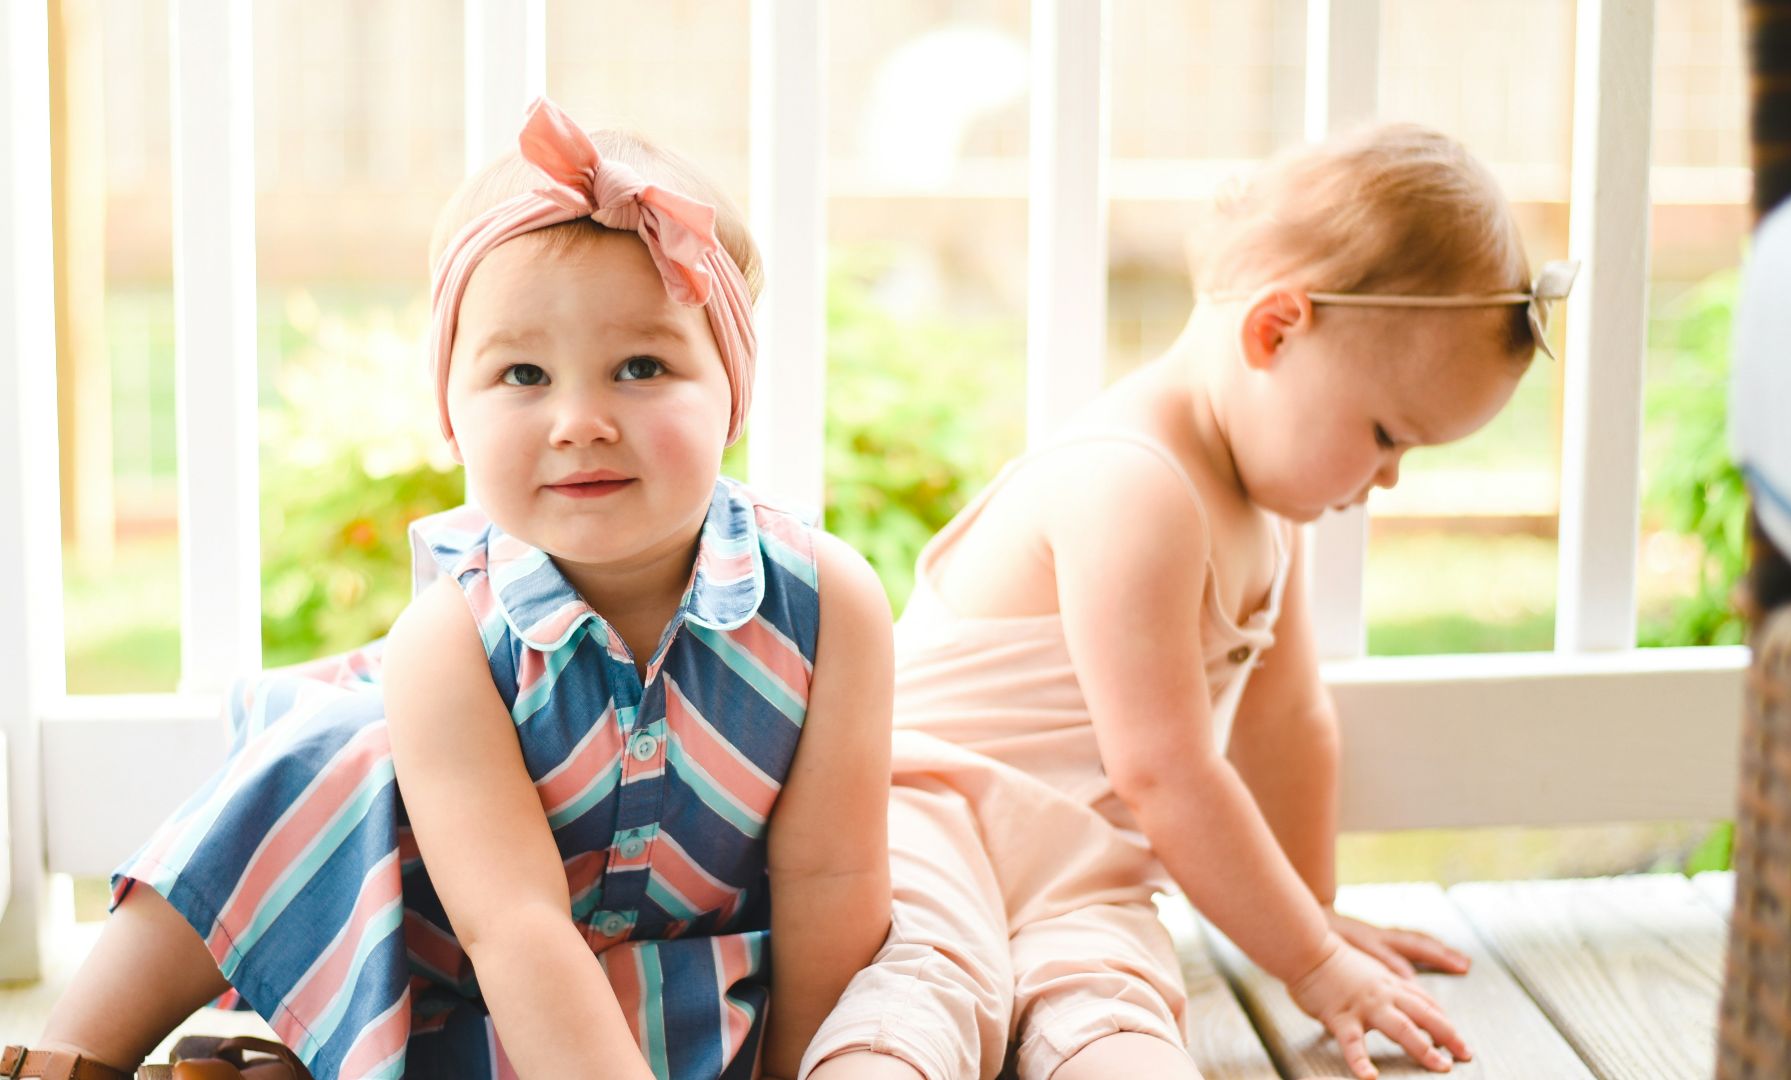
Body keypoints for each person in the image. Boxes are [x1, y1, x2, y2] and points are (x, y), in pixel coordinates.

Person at [5, 98, 896, 1080]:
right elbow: (511, 925)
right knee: (322, 760)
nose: (579, 420)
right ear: (452, 414)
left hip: (666, 989)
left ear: (734, 388)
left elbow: (833, 882)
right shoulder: (457, 636)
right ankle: (69, 1054)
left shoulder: (823, 607)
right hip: (458, 947)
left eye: (641, 366)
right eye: (522, 374)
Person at [802, 123, 1577, 1080]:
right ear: (1275, 329)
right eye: (1385, 435)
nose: (1388, 481)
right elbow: (1165, 769)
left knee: (1119, 1011)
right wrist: (1317, 965)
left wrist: (1312, 910)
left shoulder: (1268, 513)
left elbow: (1289, 723)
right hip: (928, 820)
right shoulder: (1135, 485)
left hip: (1084, 867)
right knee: (927, 984)